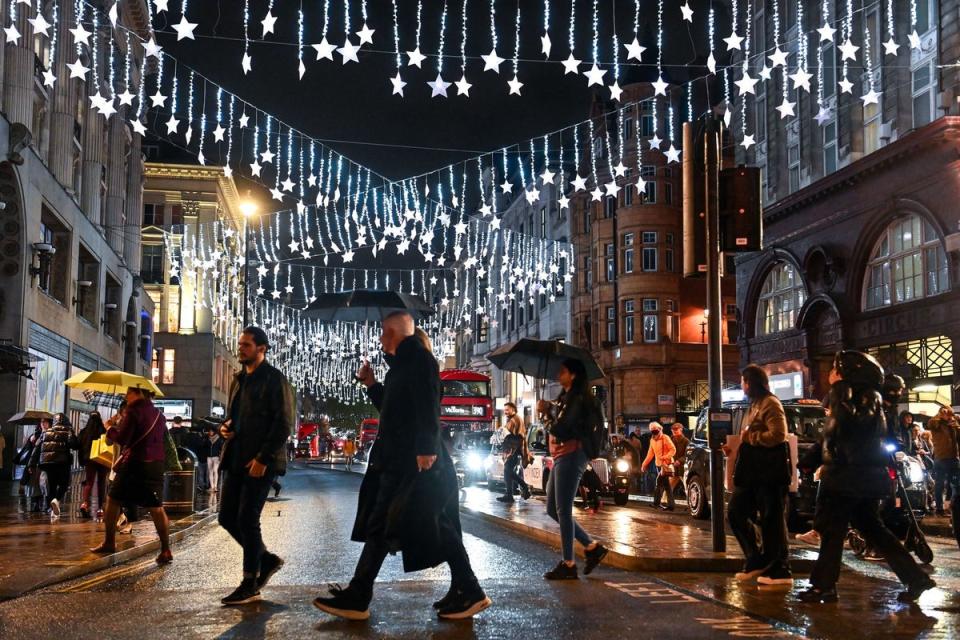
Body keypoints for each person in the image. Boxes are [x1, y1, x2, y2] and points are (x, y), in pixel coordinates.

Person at [312, 311, 490, 621]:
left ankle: (466, 589)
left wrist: (425, 448)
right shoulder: (400, 368)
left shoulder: (419, 361)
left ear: (395, 333)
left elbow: (428, 406)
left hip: (413, 463)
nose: (380, 338)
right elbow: (394, 412)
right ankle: (463, 588)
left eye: (384, 332)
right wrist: (371, 384)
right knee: (401, 525)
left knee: (422, 525)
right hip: (397, 461)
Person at [798, 350, 935, 604]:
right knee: (874, 530)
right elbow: (834, 437)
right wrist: (809, 462)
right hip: (864, 478)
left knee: (832, 532)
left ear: (846, 373)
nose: (830, 374)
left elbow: (838, 433)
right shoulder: (869, 398)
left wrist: (839, 393)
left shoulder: (848, 396)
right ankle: (915, 578)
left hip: (846, 478)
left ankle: (823, 586)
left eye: (835, 369)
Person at [217, 326, 294, 606]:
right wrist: (225, 427)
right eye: (240, 344)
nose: (241, 349)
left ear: (262, 348)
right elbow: (234, 418)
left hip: (261, 461)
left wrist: (263, 458)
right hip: (236, 457)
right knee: (226, 518)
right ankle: (266, 559)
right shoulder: (238, 380)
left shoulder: (275, 380)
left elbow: (284, 423)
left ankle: (250, 581)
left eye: (246, 345)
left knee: (248, 519)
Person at [540, 358, 608, 580]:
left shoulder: (577, 399)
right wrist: (549, 410)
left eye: (563, 371)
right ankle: (591, 547)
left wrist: (546, 415)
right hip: (561, 456)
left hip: (572, 455)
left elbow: (563, 429)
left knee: (563, 510)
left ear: (574, 375)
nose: (559, 374)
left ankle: (568, 563)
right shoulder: (565, 399)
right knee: (552, 508)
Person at [726, 365, 793, 587]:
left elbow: (778, 435)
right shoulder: (755, 404)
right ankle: (757, 558)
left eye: (745, 381)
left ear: (752, 382)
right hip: (754, 473)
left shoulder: (771, 403)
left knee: (772, 519)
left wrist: (750, 438)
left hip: (769, 473)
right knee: (736, 512)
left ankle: (779, 567)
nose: (743, 386)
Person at [91, 387, 172, 563]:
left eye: (129, 392)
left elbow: (122, 438)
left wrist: (109, 427)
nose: (126, 396)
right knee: (156, 507)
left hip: (135, 463)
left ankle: (109, 542)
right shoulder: (159, 414)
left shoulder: (134, 411)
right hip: (156, 464)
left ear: (139, 393)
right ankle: (166, 549)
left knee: (112, 499)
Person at [28, 413, 78, 518]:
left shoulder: (46, 432)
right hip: (62, 462)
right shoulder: (67, 431)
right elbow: (74, 445)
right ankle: (56, 500)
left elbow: (37, 449)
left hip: (48, 463)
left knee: (52, 486)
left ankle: (52, 509)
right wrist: (71, 432)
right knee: (64, 484)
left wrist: (31, 464)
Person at [926, 406, 960, 517]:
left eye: (950, 413)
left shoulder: (954, 423)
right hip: (941, 458)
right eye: (945, 412)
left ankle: (952, 506)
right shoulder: (936, 423)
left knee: (956, 484)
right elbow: (930, 423)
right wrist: (940, 414)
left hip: (954, 457)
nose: (948, 415)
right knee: (940, 484)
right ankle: (939, 508)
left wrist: (957, 426)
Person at [77, 411, 108, 519]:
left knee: (89, 482)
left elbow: (78, 445)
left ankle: (84, 504)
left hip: (89, 460)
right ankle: (100, 508)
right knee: (101, 483)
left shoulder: (84, 431)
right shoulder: (104, 431)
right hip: (102, 459)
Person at [640, 422, 676, 511]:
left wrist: (664, 457)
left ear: (660, 429)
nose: (654, 432)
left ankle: (657, 503)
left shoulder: (665, 438)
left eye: (655, 430)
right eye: (652, 430)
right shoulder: (652, 440)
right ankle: (669, 505)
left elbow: (673, 450)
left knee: (659, 483)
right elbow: (650, 454)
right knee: (666, 485)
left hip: (666, 464)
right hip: (658, 465)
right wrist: (644, 464)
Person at [499, 402, 530, 503]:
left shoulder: (516, 419)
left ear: (513, 409)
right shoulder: (510, 420)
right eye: (505, 410)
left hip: (514, 450)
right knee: (507, 471)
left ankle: (524, 488)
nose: (505, 412)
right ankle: (509, 494)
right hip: (510, 450)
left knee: (508, 470)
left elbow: (519, 436)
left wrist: (506, 436)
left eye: (507, 410)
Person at [669, 422, 689, 494]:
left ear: (681, 429)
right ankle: (664, 500)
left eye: (676, 429)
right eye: (673, 430)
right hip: (673, 467)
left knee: (687, 486)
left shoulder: (686, 441)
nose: (674, 431)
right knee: (669, 486)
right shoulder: (670, 440)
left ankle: (691, 502)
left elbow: (687, 455)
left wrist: (680, 461)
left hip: (682, 468)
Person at [207, 426, 223, 494]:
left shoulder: (218, 439)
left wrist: (220, 456)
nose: (210, 432)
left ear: (214, 431)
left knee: (215, 471)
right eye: (210, 431)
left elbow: (221, 448)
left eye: (212, 431)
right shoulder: (207, 439)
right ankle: (212, 486)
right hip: (209, 457)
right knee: (210, 471)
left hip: (216, 457)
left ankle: (215, 486)